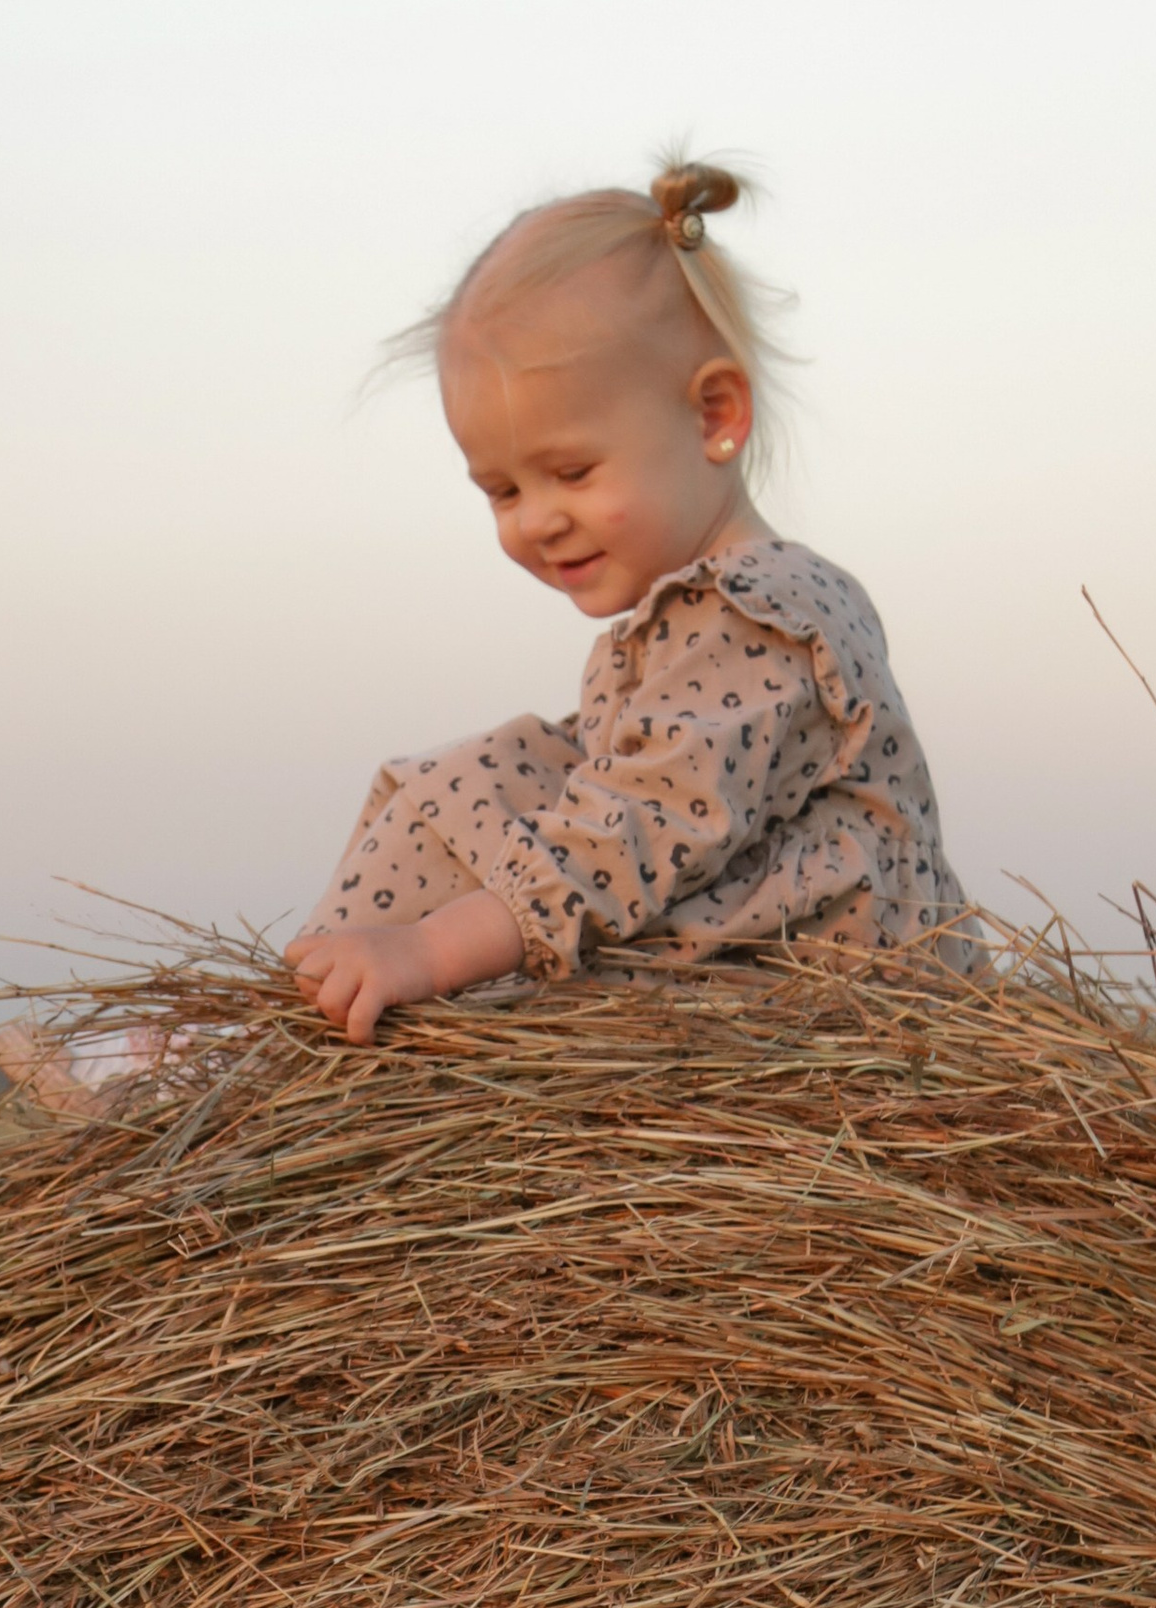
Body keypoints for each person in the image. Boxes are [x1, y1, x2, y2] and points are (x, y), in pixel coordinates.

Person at [285, 162, 971, 1044]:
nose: (538, 521)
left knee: (478, 793)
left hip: (824, 1007)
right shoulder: (709, 615)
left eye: (571, 472)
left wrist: (430, 950)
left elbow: (628, 837)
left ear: (714, 414)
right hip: (761, 981)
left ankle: (333, 1042)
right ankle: (318, 1019)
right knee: (488, 772)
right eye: (501, 491)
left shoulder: (757, 617)